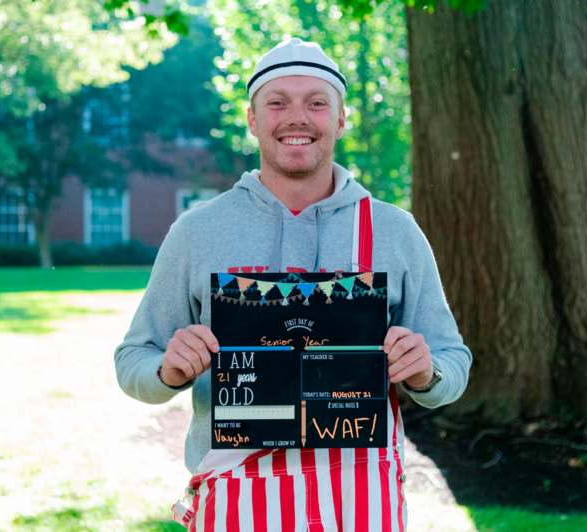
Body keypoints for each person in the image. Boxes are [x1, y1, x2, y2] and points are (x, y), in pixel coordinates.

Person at [115, 38, 472, 531]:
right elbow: (134, 359)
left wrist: (425, 371)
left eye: (317, 103)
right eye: (277, 102)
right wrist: (169, 370)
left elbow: (453, 364)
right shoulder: (198, 232)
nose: (296, 118)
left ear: (341, 119)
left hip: (360, 500)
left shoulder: (393, 231)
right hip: (236, 496)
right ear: (253, 120)